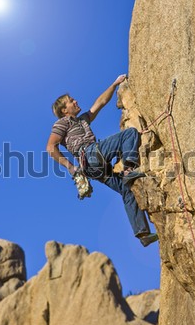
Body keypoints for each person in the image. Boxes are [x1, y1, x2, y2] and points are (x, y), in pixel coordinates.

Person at [46, 74, 159, 247]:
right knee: (129, 134)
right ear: (64, 110)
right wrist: (70, 167)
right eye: (71, 101)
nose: (75, 101)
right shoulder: (63, 123)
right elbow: (50, 147)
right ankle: (129, 168)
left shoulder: (82, 119)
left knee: (126, 188)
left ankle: (142, 233)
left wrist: (114, 84)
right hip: (90, 155)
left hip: (94, 168)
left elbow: (100, 102)